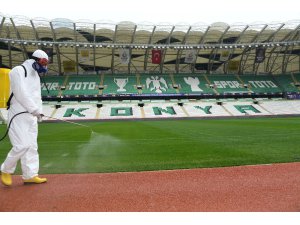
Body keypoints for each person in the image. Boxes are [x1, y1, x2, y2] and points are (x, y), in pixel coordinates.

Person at [1, 49, 48, 186]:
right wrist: (34, 109)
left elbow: (36, 97)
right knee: (22, 145)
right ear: (35, 59)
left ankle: (30, 175)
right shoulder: (18, 70)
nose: (45, 66)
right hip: (18, 114)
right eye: (43, 62)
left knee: (32, 146)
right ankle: (6, 169)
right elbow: (20, 92)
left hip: (32, 116)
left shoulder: (36, 75)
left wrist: (39, 112)